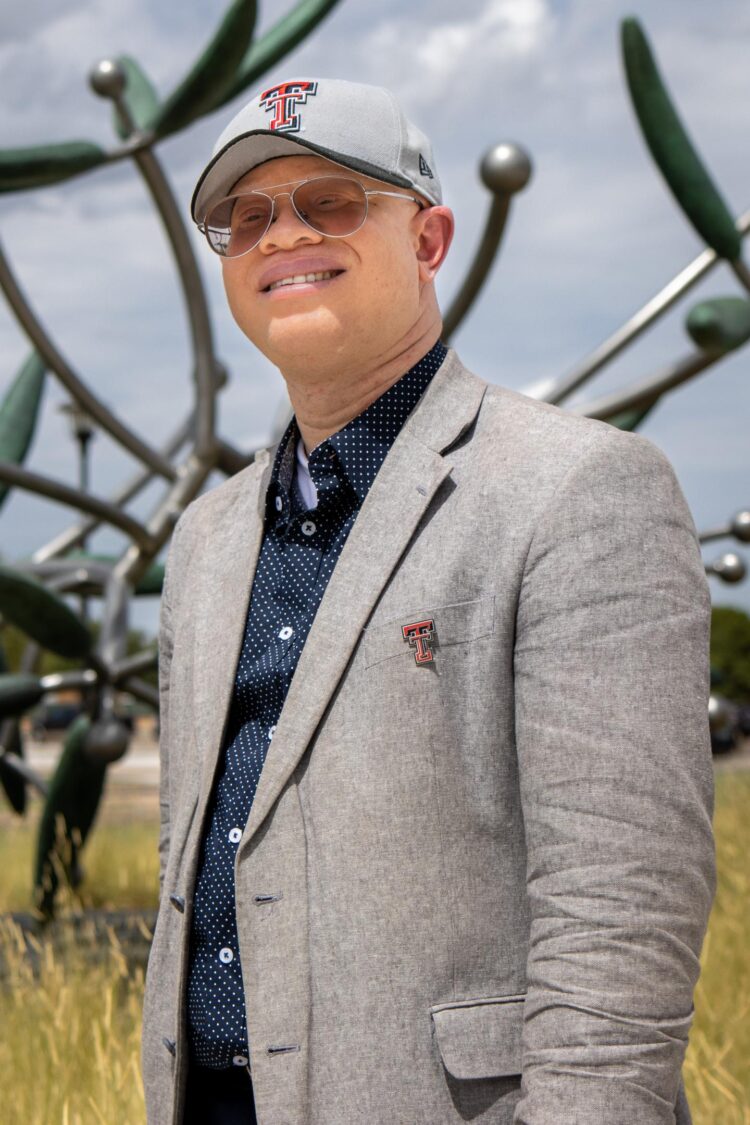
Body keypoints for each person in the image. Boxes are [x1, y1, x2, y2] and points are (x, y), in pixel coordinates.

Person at [141, 78, 716, 1125]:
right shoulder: (204, 542)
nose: (283, 235)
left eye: (330, 202)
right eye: (247, 216)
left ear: (430, 238)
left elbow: (622, 907)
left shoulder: (578, 489)